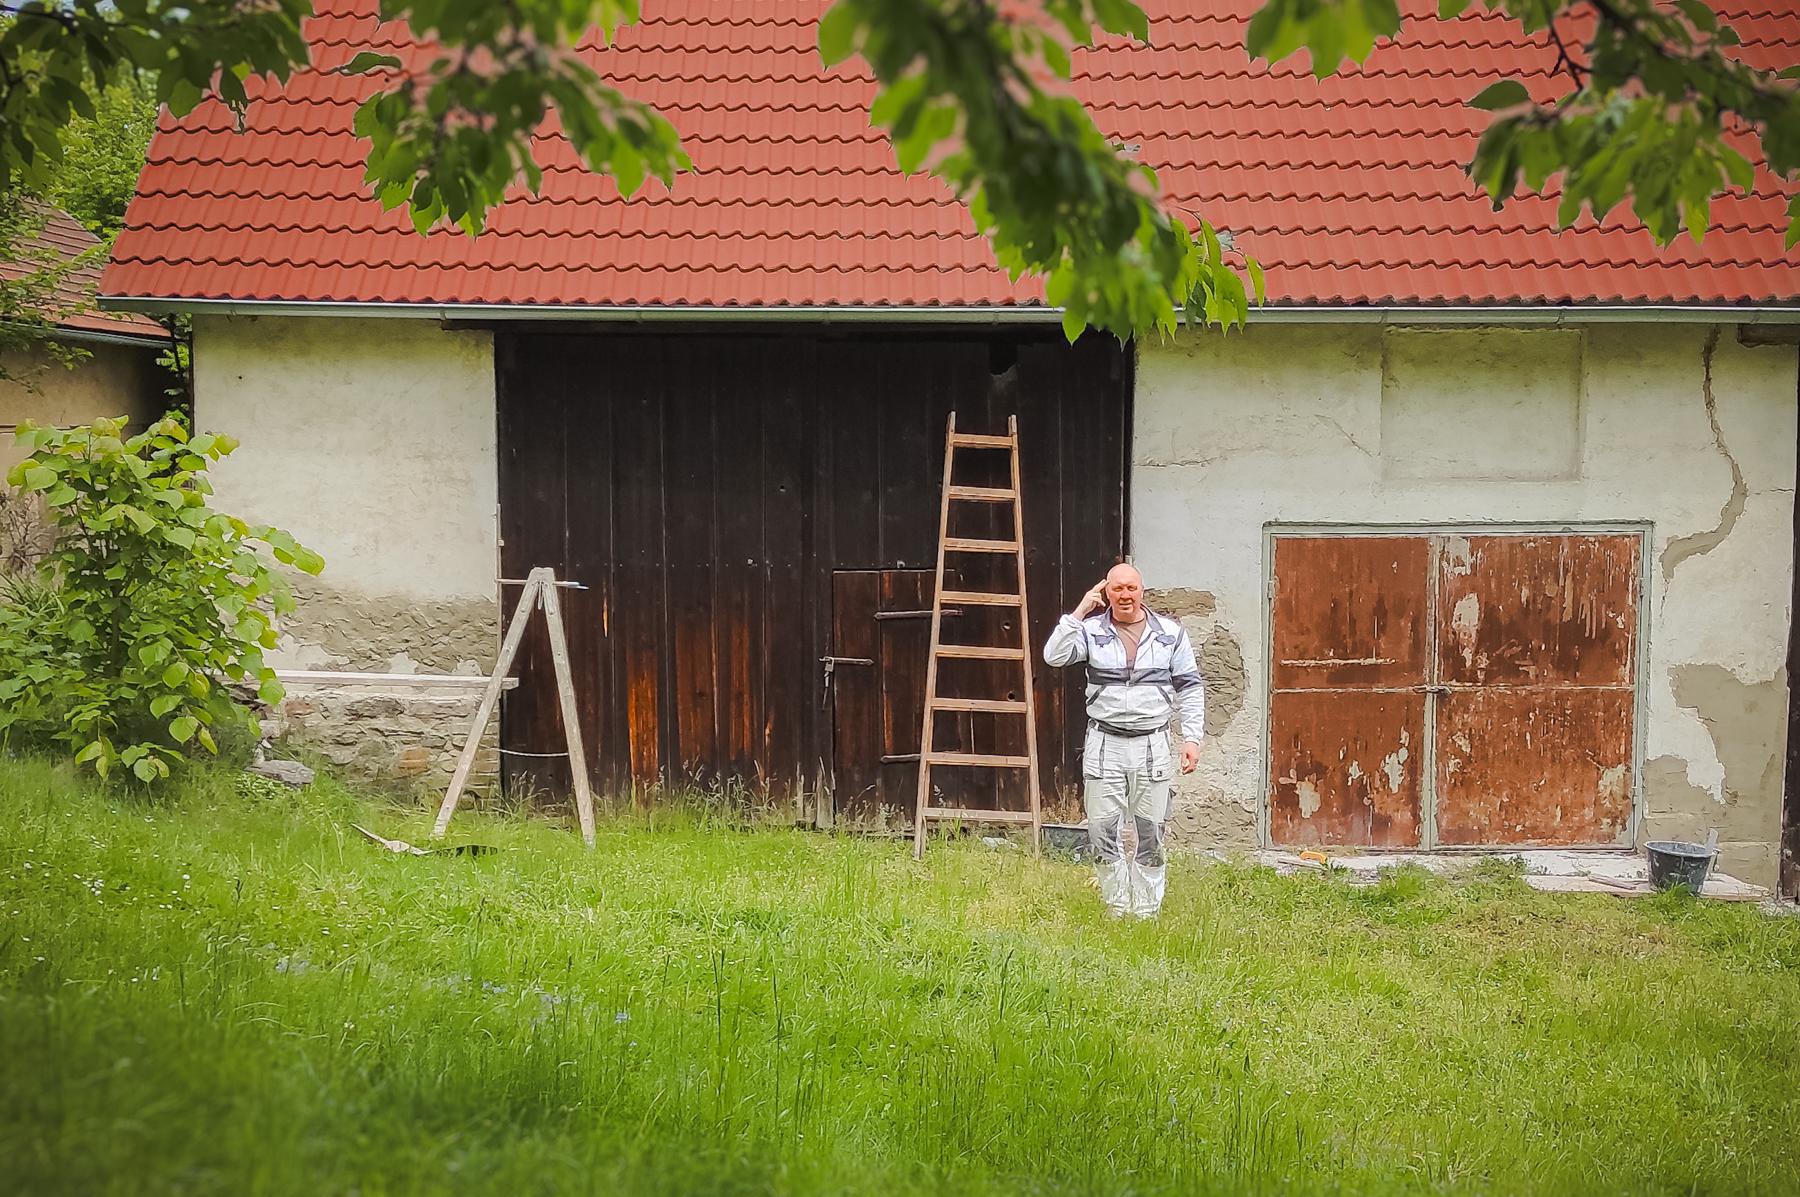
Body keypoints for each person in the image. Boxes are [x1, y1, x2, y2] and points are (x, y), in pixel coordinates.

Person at [1043, 563, 1204, 918]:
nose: (1125, 595)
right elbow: (1052, 655)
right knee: (1102, 831)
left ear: (1142, 591)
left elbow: (1190, 688)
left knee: (1152, 832)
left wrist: (1192, 738)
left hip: (1153, 745)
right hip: (1105, 744)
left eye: (1131, 588)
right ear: (1107, 592)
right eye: (1117, 589)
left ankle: (1145, 914)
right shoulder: (1090, 630)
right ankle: (1117, 909)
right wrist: (1080, 609)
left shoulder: (1170, 634)